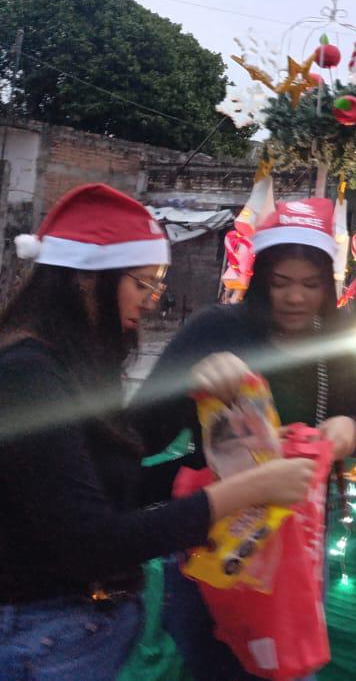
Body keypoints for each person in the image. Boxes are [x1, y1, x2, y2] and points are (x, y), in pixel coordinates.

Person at [0, 184, 314, 679]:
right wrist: (236, 493)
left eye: (156, 287)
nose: (149, 302)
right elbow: (94, 540)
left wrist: (210, 462)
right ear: (88, 279)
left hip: (79, 630)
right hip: (44, 637)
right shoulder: (27, 376)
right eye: (142, 284)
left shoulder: (72, 361)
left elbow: (107, 477)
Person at [132, 196, 356, 679]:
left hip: (297, 535)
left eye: (310, 285)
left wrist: (349, 431)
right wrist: (193, 377)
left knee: (285, 661)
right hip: (209, 529)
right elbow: (140, 433)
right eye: (281, 283)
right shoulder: (215, 328)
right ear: (259, 279)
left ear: (327, 286)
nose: (295, 298)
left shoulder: (339, 338)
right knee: (209, 658)